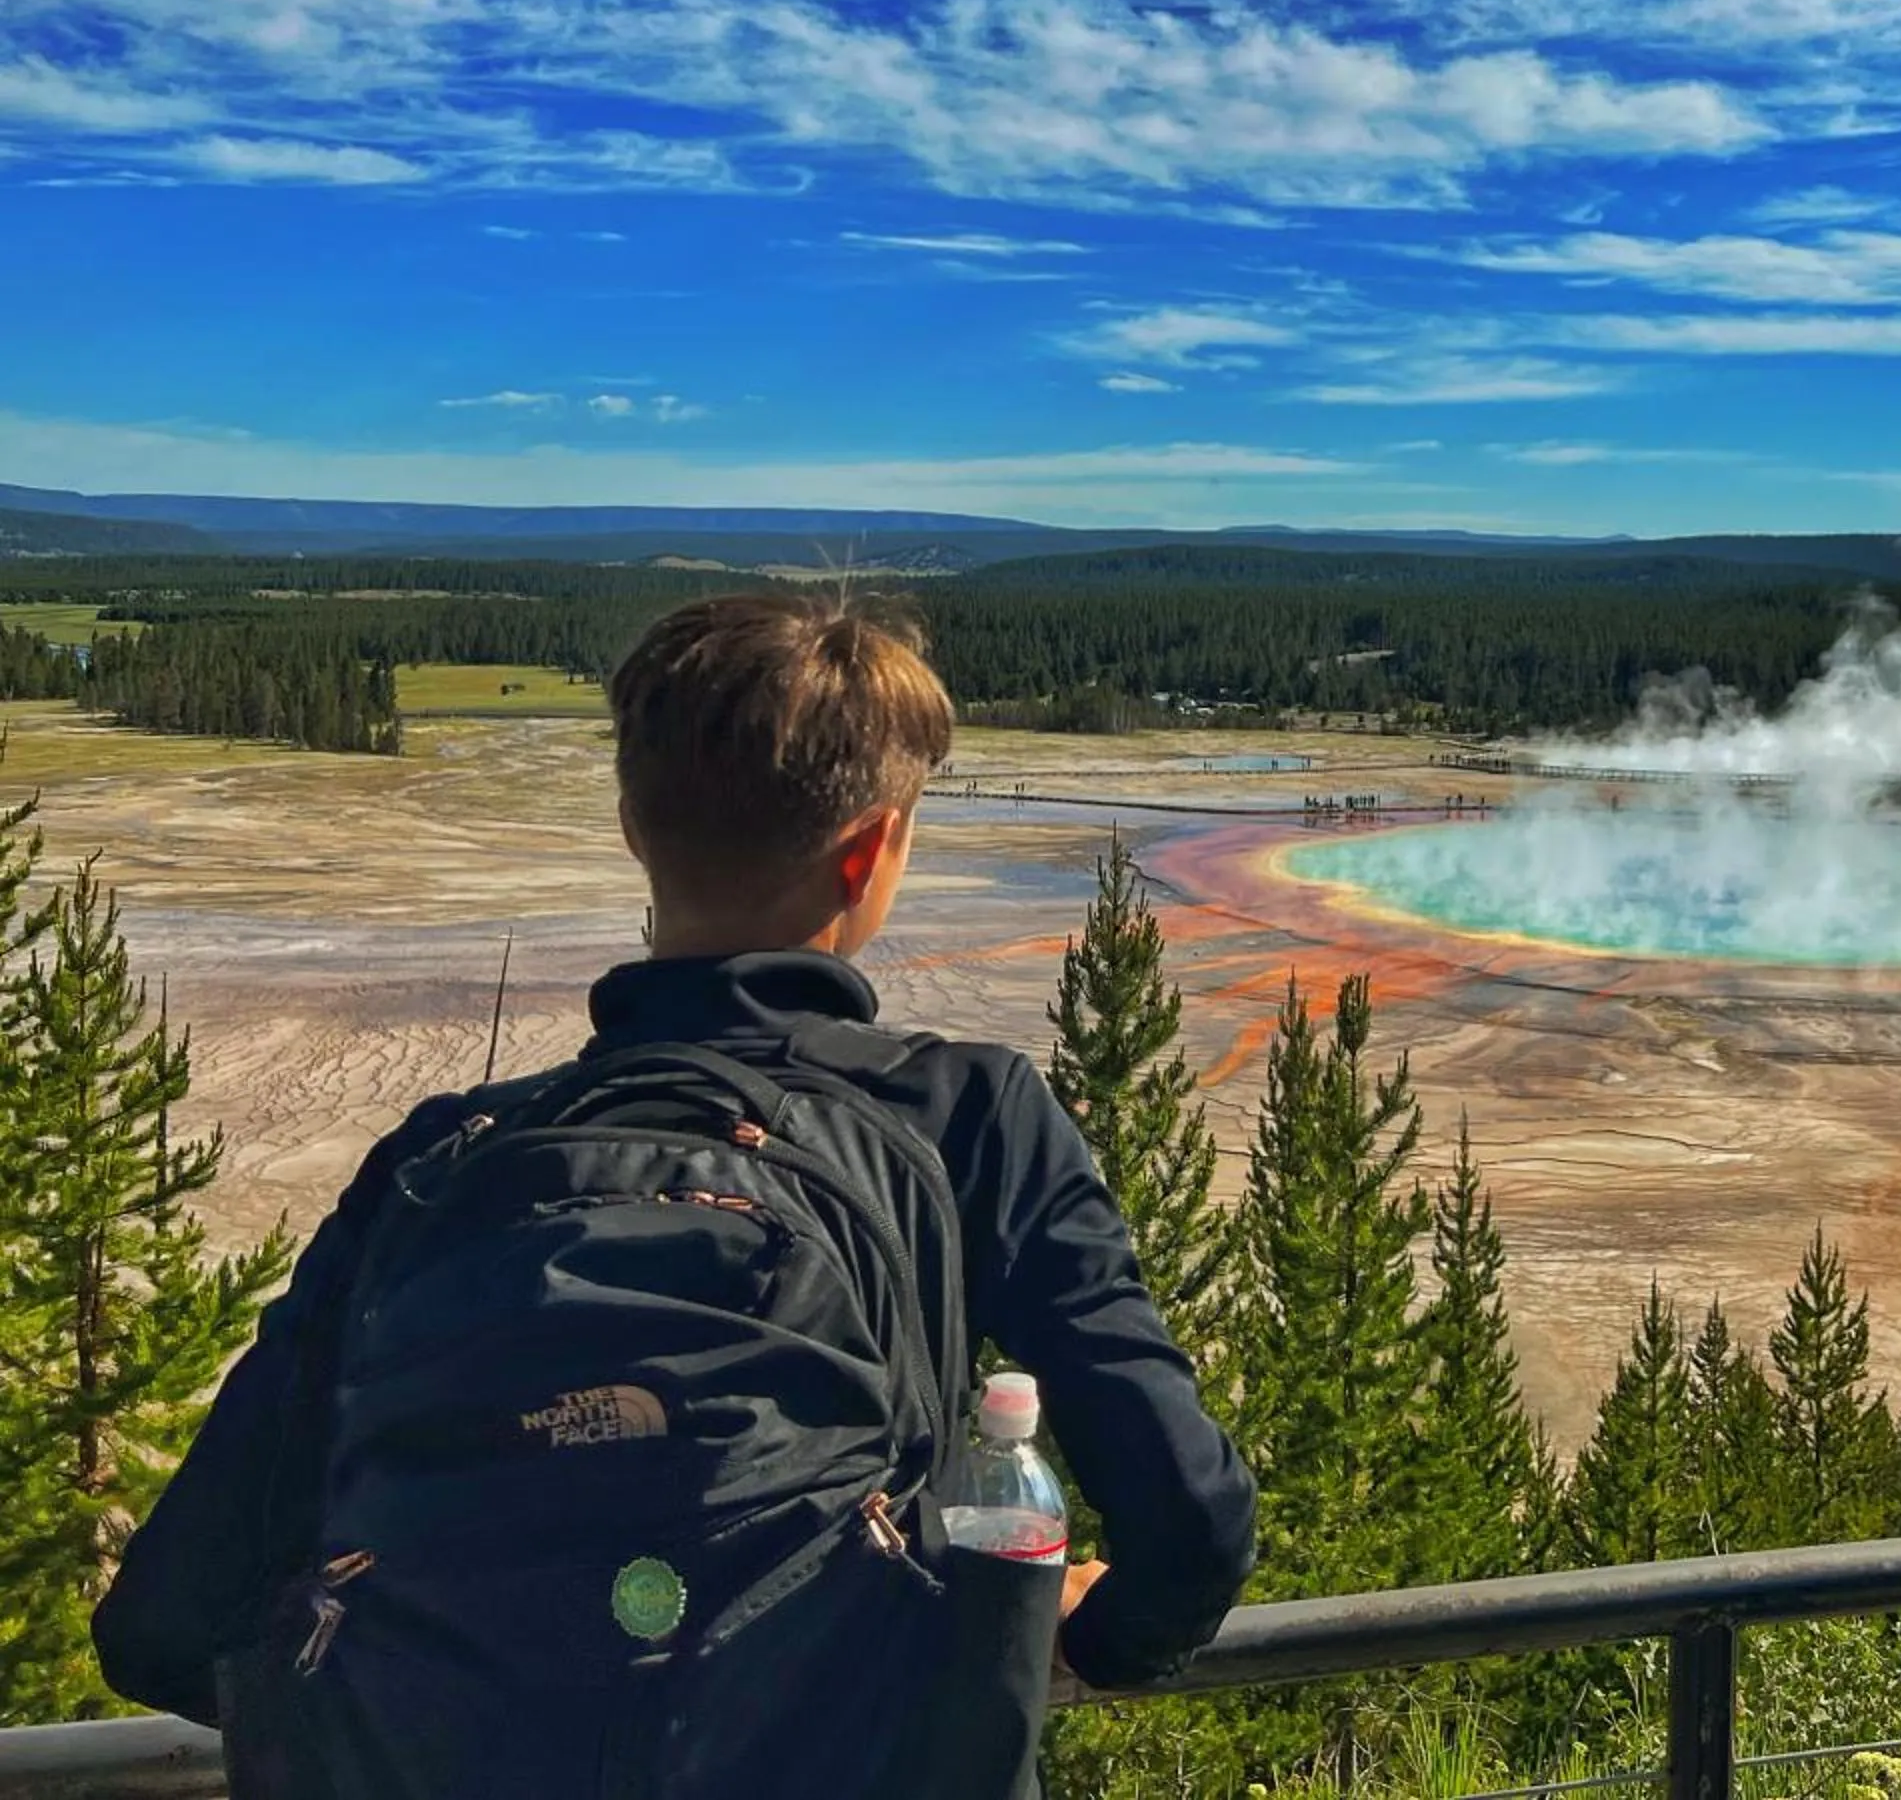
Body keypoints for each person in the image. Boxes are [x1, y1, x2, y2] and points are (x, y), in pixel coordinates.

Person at [96, 594, 1257, 1798]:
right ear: (870, 852)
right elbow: (1189, 1533)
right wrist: (1025, 1639)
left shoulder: (444, 1157)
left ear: (632, 827)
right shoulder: (969, 1114)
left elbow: (170, 1622)